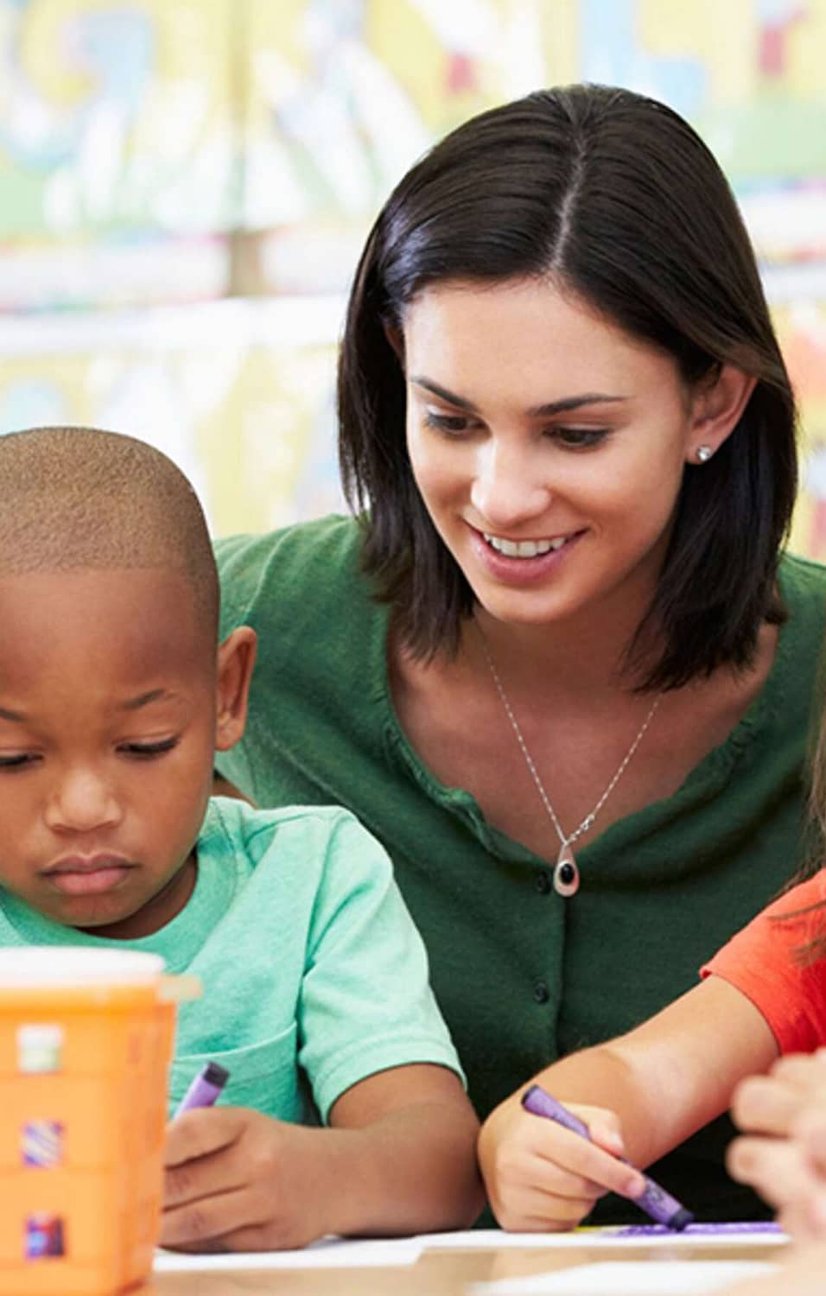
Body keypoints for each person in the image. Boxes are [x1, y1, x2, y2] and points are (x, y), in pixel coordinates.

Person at [215, 83, 826, 1222]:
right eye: (449, 418)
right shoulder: (229, 630)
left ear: (715, 404)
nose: (498, 494)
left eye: (575, 432)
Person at [0, 425, 482, 1252]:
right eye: (10, 757)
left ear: (227, 694)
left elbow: (445, 1164)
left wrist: (320, 1180)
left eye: (145, 745)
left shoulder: (312, 879)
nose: (82, 808)